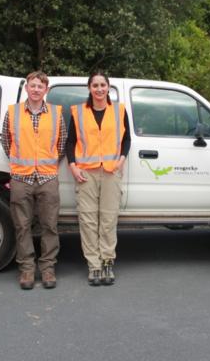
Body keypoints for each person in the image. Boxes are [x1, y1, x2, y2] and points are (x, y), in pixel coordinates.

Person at [1, 71, 66, 290]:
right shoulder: (13, 113)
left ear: (46, 90)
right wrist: (20, 164)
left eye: (40, 86)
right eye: (33, 85)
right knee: (22, 226)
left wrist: (49, 165)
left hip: (48, 177)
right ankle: (27, 270)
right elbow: (6, 142)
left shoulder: (57, 114)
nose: (36, 89)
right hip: (21, 177)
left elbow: (62, 144)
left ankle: (48, 269)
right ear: (26, 88)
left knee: (50, 226)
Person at [66, 71, 130, 286]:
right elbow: (70, 141)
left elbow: (126, 139)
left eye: (103, 85)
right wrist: (73, 167)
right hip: (86, 173)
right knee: (88, 220)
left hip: (112, 171)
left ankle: (107, 262)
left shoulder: (119, 111)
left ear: (108, 87)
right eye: (95, 85)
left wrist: (121, 161)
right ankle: (93, 265)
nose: (100, 89)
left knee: (109, 219)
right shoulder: (78, 112)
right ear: (89, 88)